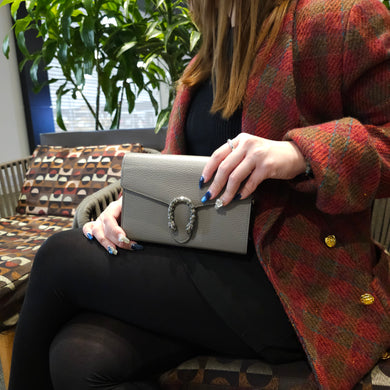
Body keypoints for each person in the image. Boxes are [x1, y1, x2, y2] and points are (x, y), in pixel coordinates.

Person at [8, 0, 390, 389]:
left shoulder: (338, 17)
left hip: (290, 286)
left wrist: (297, 155)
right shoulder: (206, 56)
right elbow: (188, 176)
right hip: (197, 269)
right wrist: (134, 207)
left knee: (58, 257)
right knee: (77, 360)